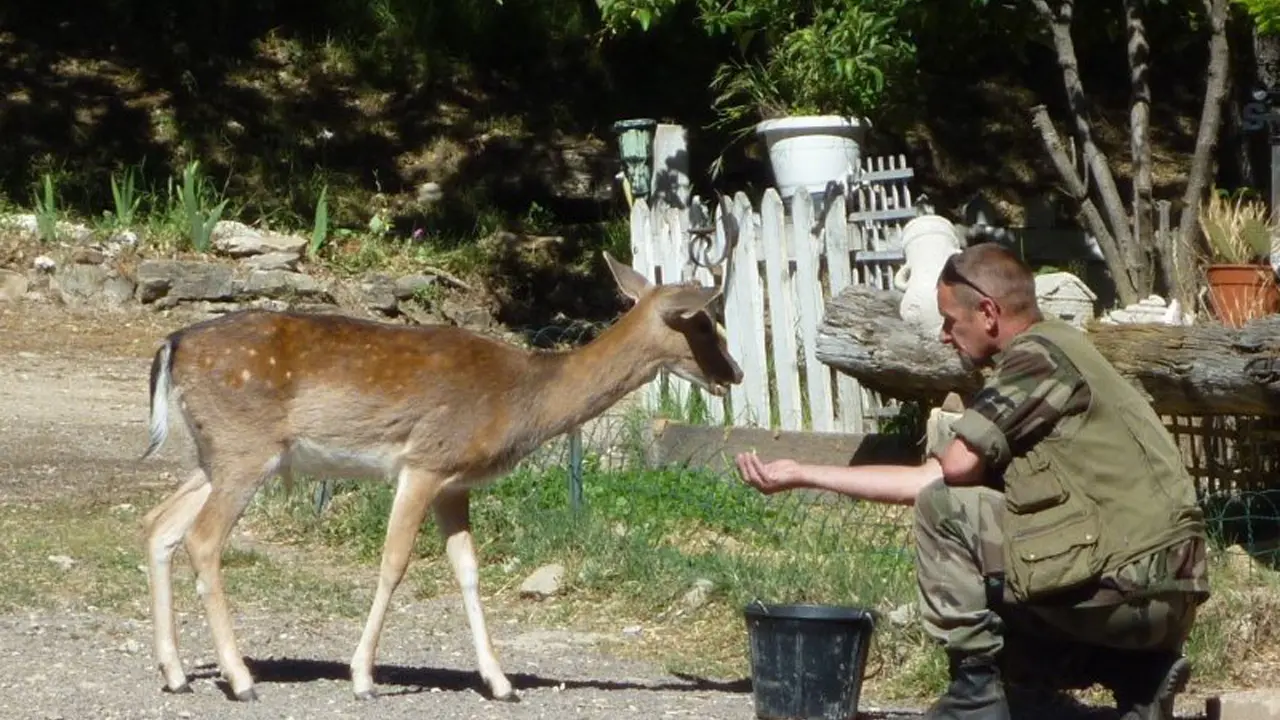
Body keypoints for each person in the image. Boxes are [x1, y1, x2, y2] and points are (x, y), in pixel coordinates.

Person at [735, 243, 1210, 720]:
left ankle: (975, 695)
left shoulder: (1036, 357)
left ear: (987, 312)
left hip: (1126, 585)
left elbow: (951, 474)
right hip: (1169, 592)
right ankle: (1137, 679)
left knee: (945, 510)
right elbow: (930, 477)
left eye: (949, 320)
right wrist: (802, 473)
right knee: (995, 546)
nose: (945, 335)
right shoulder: (1073, 350)